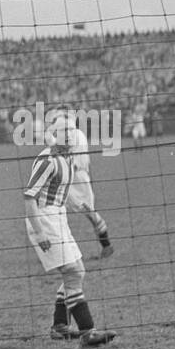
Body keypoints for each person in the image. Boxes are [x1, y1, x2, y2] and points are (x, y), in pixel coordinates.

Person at [24, 115, 115, 348]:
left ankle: (60, 326)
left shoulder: (66, 159)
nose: (70, 136)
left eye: (71, 132)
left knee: (78, 271)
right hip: (45, 220)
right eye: (64, 132)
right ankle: (87, 332)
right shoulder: (49, 159)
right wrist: (40, 231)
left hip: (57, 218)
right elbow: (29, 198)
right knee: (73, 272)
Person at [48, 106, 113, 259]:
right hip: (75, 176)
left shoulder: (72, 135)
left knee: (79, 211)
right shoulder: (73, 134)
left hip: (74, 177)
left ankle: (105, 245)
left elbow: (65, 155)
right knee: (57, 209)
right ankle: (105, 245)